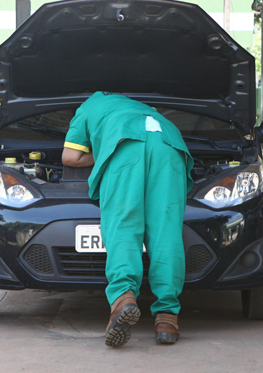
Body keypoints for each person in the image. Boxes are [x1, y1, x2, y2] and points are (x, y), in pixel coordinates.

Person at [62, 92, 193, 347]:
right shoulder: (142, 107)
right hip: (170, 144)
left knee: (124, 225)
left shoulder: (88, 106)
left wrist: (102, 151)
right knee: (166, 232)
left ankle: (123, 298)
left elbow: (71, 156)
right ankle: (167, 318)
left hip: (125, 144)